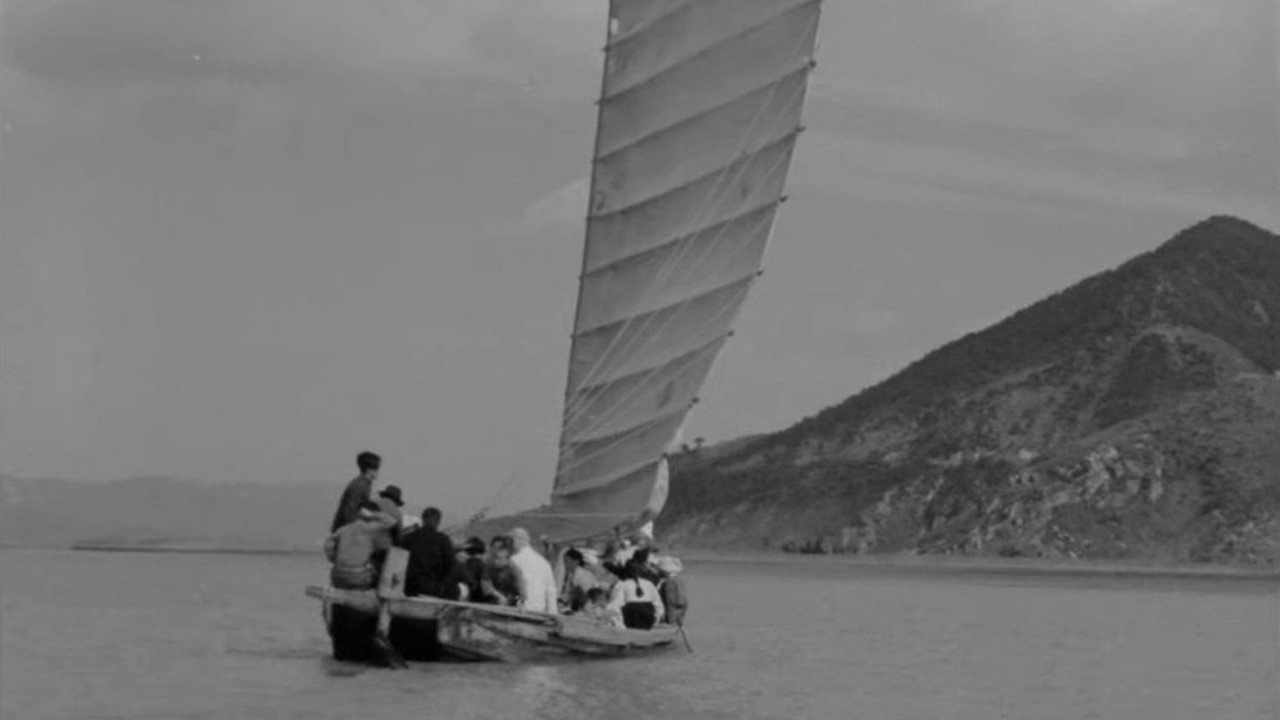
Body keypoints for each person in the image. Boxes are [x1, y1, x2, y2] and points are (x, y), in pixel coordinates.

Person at [323, 501, 397, 590]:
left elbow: (328, 546)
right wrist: (374, 514)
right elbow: (393, 523)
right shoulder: (373, 529)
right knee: (380, 572)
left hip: (337, 577)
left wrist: (334, 559)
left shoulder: (343, 529)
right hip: (359, 579)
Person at [403, 507, 457, 598]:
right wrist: (442, 586)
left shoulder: (408, 538)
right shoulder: (443, 540)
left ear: (423, 519)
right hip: (432, 589)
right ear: (438, 522)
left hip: (409, 588)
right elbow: (451, 565)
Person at [509, 527, 558, 614]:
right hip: (539, 611)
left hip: (519, 610)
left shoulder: (513, 560)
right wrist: (553, 613)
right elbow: (551, 590)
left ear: (515, 542)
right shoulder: (543, 562)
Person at [330, 451, 381, 533]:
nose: (378, 471)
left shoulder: (365, 483)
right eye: (376, 468)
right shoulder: (360, 485)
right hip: (346, 531)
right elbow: (349, 512)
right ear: (369, 470)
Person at [606, 563, 664, 630]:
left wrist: (619, 625)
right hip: (648, 620)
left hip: (629, 619)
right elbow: (659, 607)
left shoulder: (622, 584)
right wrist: (655, 621)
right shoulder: (649, 584)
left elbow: (613, 606)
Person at [481, 536, 520, 605]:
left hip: (510, 602)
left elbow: (518, 587)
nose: (496, 551)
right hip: (493, 602)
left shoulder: (513, 567)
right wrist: (498, 596)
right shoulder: (488, 565)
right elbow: (486, 583)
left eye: (500, 548)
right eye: (495, 547)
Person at [559, 548, 599, 613]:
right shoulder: (572, 575)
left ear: (576, 561)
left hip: (588, 609)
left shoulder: (583, 575)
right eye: (564, 561)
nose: (565, 564)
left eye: (566, 561)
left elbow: (589, 594)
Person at [655, 556, 688, 626]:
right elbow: (684, 601)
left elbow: (670, 601)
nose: (657, 572)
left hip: (672, 614)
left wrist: (669, 620)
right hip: (680, 612)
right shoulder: (679, 580)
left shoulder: (669, 582)